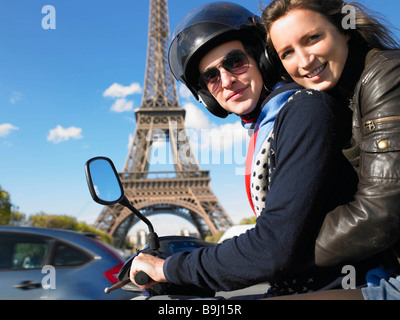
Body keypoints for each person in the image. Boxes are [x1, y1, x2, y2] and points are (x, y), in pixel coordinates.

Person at [129, 1, 360, 297]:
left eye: (235, 61)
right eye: (210, 77)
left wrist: (168, 268)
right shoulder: (271, 125)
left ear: (262, 58)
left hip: (345, 288)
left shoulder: (307, 110)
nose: (226, 80)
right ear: (205, 94)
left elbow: (271, 247)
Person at [261, 0, 400, 299]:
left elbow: (379, 214)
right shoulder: (333, 98)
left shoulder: (388, 76)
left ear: (344, 30)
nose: (304, 60)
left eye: (313, 38)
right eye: (287, 53)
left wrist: (276, 250)